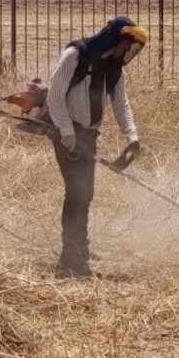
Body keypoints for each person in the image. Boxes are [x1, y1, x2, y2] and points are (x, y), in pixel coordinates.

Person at [46, 16, 147, 276]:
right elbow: (54, 96)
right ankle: (69, 261)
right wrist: (67, 132)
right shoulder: (75, 56)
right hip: (67, 134)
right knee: (76, 193)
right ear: (116, 39)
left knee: (86, 193)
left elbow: (120, 103)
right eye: (128, 45)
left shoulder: (113, 68)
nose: (128, 51)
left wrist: (132, 136)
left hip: (89, 135)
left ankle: (81, 247)